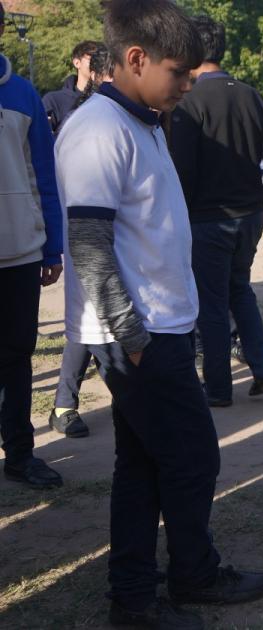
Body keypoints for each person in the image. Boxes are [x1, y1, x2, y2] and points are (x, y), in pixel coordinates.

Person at [57, 1, 263, 626]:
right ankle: (189, 577)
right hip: (136, 333)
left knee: (145, 462)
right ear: (134, 59)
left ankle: (134, 592)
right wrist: (134, 336)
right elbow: (90, 244)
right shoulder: (98, 130)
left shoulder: (144, 120)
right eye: (179, 72)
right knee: (191, 455)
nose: (187, 83)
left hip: (159, 325)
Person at [168, 14, 263, 408]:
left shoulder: (188, 102)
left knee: (212, 305)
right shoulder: (252, 95)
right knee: (240, 291)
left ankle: (217, 388)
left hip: (207, 218)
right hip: (249, 215)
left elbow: (182, 170)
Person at [0, 0, 65, 490]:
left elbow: (45, 173)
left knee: (19, 355)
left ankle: (20, 453)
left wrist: (51, 247)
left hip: (20, 251)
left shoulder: (22, 94)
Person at [47, 45, 116, 439]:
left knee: (93, 323)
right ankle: (64, 403)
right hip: (84, 235)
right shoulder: (72, 113)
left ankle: (65, 403)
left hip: (108, 240)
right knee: (91, 320)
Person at [42, 40, 102, 134]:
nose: (97, 64)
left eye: (100, 60)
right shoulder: (53, 101)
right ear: (77, 63)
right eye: (92, 59)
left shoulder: (107, 100)